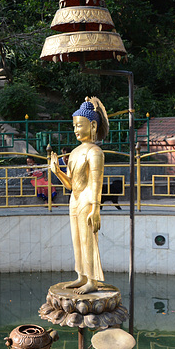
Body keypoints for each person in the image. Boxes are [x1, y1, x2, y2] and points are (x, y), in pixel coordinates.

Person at [50, 97, 108, 294]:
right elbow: (71, 184)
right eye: (74, 125)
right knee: (76, 240)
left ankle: (92, 279)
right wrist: (57, 172)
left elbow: (96, 182)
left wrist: (96, 208)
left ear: (92, 125)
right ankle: (81, 275)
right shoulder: (74, 152)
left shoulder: (95, 152)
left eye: (79, 125)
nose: (75, 129)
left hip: (87, 201)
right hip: (74, 200)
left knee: (88, 239)